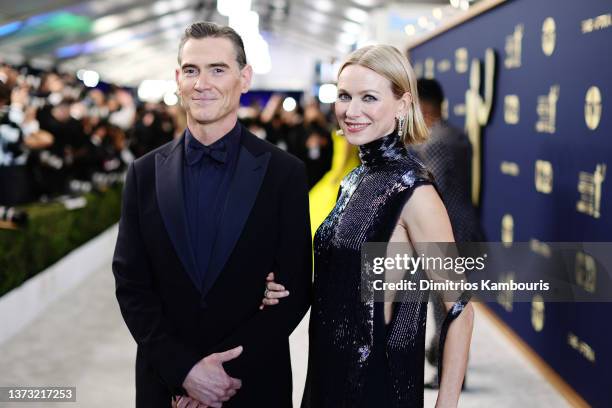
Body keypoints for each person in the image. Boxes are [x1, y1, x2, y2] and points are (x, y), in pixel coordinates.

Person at [112, 21, 312, 408]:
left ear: (244, 77)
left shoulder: (284, 173)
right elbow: (132, 286)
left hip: (252, 387)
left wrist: (219, 378)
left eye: (217, 69)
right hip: (166, 388)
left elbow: (296, 289)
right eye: (191, 70)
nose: (202, 83)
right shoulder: (143, 174)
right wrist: (185, 372)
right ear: (178, 79)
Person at [262, 45, 473, 407]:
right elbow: (342, 281)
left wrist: (447, 402)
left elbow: (460, 306)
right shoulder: (356, 178)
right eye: (344, 96)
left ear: (403, 104)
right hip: (328, 376)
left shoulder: (414, 191)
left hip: (375, 387)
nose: (351, 110)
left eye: (369, 98)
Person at [412, 79, 483, 384]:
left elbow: (433, 191)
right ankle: (444, 357)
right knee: (451, 304)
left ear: (423, 106)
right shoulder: (456, 134)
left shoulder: (436, 141)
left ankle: (450, 373)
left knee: (445, 307)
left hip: (447, 234)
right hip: (463, 228)